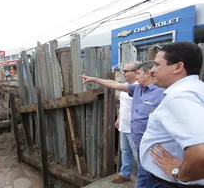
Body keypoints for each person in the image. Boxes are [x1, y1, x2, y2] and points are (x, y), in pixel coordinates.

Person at [80, 61, 164, 188]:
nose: (136, 77)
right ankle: (129, 176)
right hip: (136, 137)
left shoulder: (161, 93)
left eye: (138, 74)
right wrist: (94, 79)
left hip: (150, 144)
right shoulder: (137, 89)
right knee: (142, 171)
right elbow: (115, 85)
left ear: (148, 74)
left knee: (149, 174)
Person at [140, 42, 204, 187]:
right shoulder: (197, 89)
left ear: (178, 67)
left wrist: (179, 174)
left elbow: (201, 154)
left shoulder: (179, 97)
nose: (152, 71)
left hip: (170, 183)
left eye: (157, 65)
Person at [111, 61, 139, 183]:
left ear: (136, 72)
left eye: (126, 71)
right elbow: (122, 106)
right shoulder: (125, 87)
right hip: (124, 125)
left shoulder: (139, 87)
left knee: (139, 157)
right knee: (125, 151)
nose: (123, 74)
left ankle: (143, 180)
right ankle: (125, 174)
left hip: (134, 128)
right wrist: (118, 119)